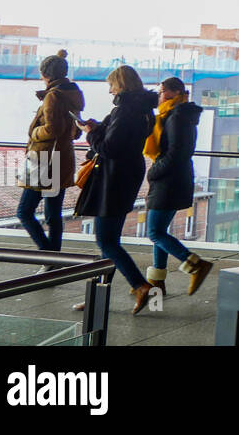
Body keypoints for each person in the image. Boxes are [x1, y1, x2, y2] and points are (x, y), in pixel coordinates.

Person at [74, 65, 159, 314]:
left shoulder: (125, 111)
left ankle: (141, 286)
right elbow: (119, 138)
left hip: (114, 179)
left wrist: (90, 134)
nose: (110, 90)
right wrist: (99, 127)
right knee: (108, 241)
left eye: (112, 85)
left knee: (107, 241)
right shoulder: (142, 110)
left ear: (121, 85)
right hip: (126, 176)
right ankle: (97, 298)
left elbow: (110, 148)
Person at [143, 77, 213, 296]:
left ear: (174, 93)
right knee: (159, 231)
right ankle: (156, 283)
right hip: (174, 179)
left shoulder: (177, 117)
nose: (159, 95)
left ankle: (195, 265)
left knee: (154, 231)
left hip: (168, 180)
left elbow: (176, 153)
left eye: (162, 91)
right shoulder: (176, 115)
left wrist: (153, 171)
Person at [18, 50, 84, 270]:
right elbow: (74, 131)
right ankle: (53, 260)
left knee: (25, 212)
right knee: (53, 213)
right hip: (63, 157)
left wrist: (34, 133)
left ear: (45, 73)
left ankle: (48, 257)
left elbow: (52, 129)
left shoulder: (54, 96)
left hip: (44, 160)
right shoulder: (71, 93)